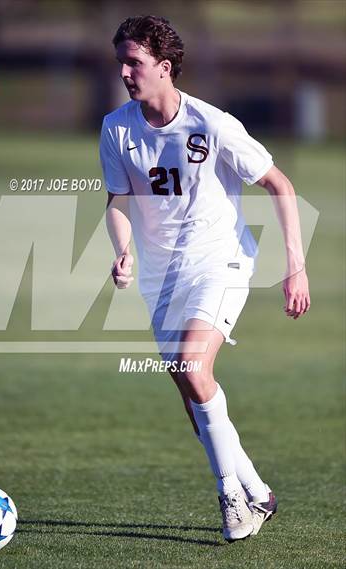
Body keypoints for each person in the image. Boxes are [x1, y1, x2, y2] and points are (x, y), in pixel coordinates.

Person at [100, 15, 311, 542]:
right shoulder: (116, 129)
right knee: (190, 389)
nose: (126, 72)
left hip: (221, 260)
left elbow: (279, 185)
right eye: (121, 61)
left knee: (194, 367)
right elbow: (117, 201)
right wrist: (122, 250)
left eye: (136, 63)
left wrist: (296, 266)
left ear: (165, 67)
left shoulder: (212, 123)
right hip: (161, 276)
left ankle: (233, 499)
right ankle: (259, 490)